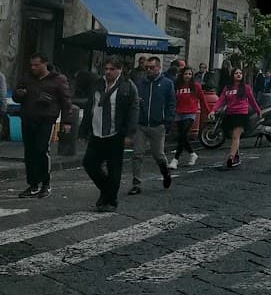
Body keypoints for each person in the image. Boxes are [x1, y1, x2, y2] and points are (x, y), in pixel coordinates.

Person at [78, 58, 138, 211]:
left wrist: (129, 134)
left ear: (119, 70)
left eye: (112, 69)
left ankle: (111, 201)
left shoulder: (128, 87)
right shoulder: (98, 84)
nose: (108, 72)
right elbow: (89, 107)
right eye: (106, 69)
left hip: (115, 133)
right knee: (89, 163)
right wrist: (83, 130)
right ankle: (106, 191)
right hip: (97, 131)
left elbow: (133, 111)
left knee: (114, 168)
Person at [12, 54, 71, 200]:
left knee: (42, 150)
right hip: (28, 118)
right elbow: (16, 96)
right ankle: (33, 184)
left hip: (46, 120)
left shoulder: (58, 80)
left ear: (44, 64)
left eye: (36, 65)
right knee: (29, 153)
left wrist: (67, 122)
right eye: (31, 65)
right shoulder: (27, 78)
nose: (33, 68)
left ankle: (46, 184)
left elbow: (66, 102)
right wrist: (19, 94)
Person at [129, 56, 176, 196]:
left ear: (158, 68)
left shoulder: (167, 83)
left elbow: (171, 104)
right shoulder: (140, 83)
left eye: (152, 67)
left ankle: (165, 172)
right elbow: (134, 103)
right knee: (137, 154)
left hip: (158, 125)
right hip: (141, 125)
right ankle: (136, 184)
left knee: (158, 154)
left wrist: (167, 122)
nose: (149, 70)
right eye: (147, 68)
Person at [215, 67, 260, 168]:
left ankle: (231, 157)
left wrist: (258, 110)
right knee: (232, 136)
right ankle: (236, 155)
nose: (239, 75)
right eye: (236, 73)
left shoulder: (246, 88)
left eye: (240, 73)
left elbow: (252, 100)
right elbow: (221, 100)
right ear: (232, 75)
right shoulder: (227, 88)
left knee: (236, 136)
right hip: (230, 113)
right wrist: (213, 110)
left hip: (241, 114)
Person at [169, 66, 208, 169]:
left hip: (190, 113)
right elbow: (172, 99)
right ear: (182, 75)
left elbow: (203, 100)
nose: (188, 76)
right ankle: (192, 154)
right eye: (186, 74)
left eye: (190, 74)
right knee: (182, 137)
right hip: (178, 113)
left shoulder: (196, 86)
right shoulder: (177, 85)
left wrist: (208, 112)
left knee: (182, 134)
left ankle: (175, 159)